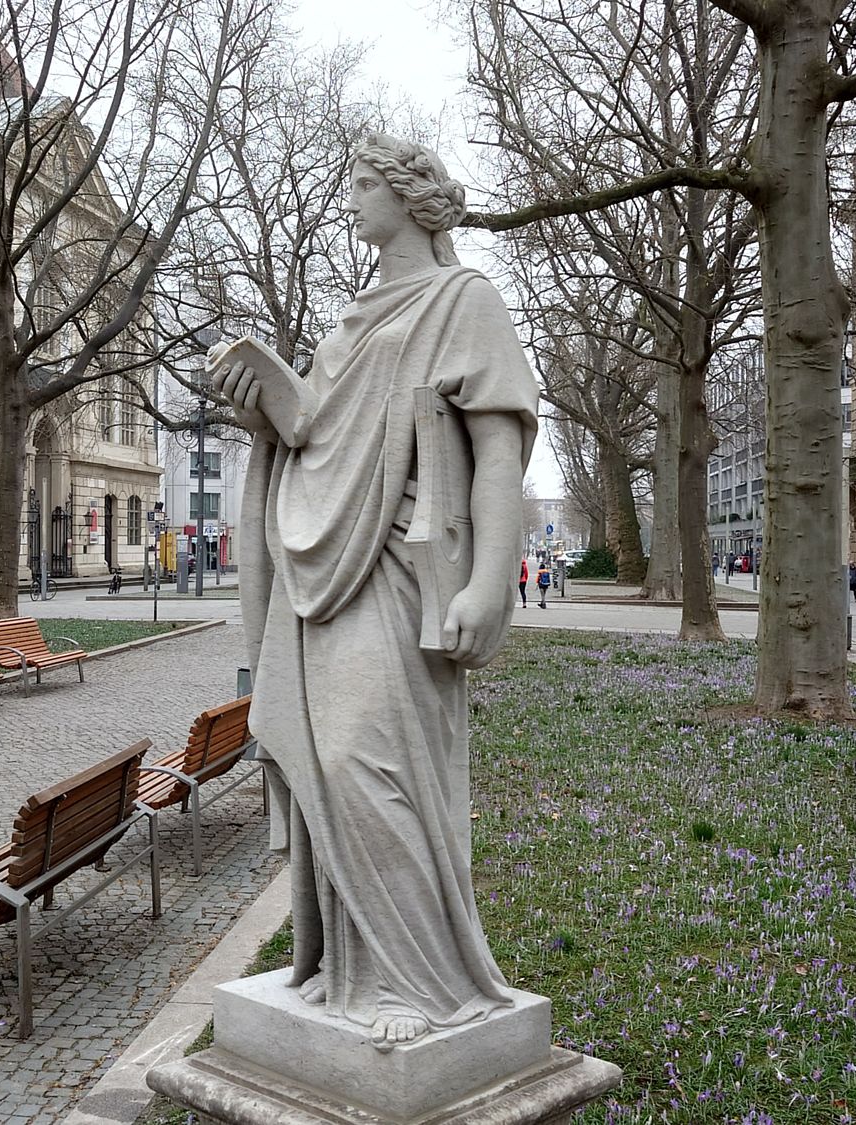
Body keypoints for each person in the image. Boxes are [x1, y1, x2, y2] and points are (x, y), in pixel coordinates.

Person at [214, 134, 532, 1049]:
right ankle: (358, 971)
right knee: (331, 764)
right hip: (322, 576)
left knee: (368, 762)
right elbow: (313, 436)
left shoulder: (463, 301)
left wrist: (491, 584)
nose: (349, 199)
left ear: (408, 196)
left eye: (361, 183)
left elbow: (498, 453)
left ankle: (421, 978)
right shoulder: (349, 322)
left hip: (402, 574)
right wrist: (264, 415)